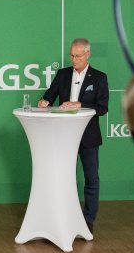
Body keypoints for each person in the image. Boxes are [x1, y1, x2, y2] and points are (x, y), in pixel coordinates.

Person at [38, 38, 109, 233]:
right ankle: (64, 217)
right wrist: (44, 101)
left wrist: (80, 104)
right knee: (62, 179)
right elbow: (49, 95)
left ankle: (88, 220)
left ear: (88, 54)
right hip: (63, 136)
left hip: (88, 137)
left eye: (78, 56)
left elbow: (102, 108)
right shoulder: (62, 74)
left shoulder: (99, 77)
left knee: (91, 179)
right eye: (71, 55)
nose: (74, 59)